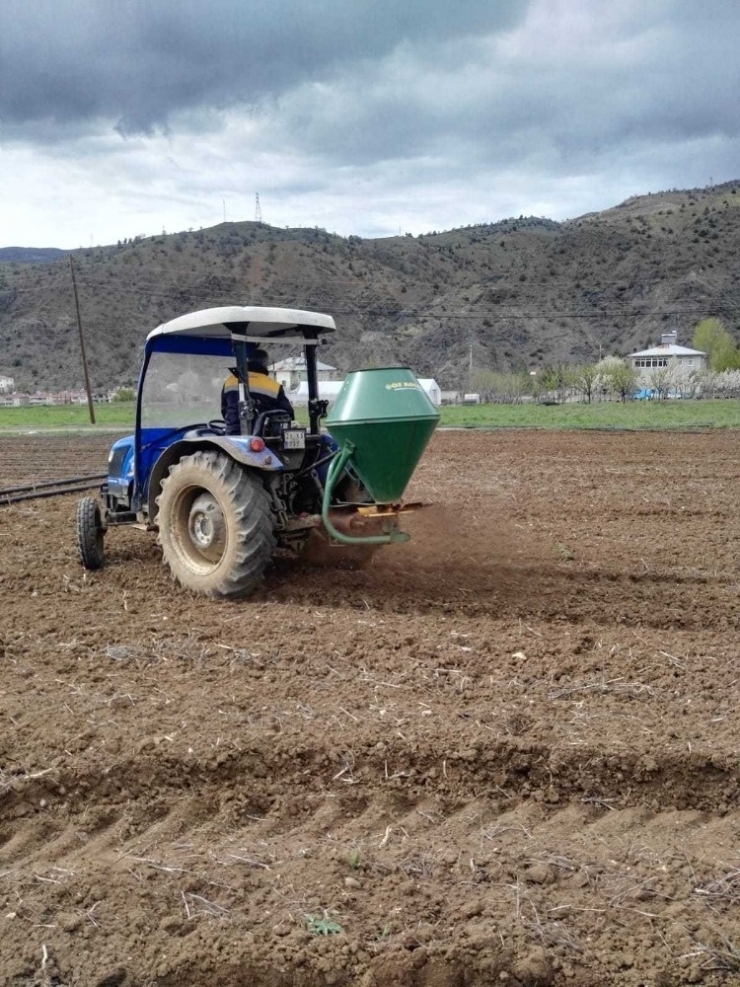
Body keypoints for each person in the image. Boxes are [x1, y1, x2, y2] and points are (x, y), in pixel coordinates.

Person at [221, 347, 294, 435]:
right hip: (262, 437)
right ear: (265, 364)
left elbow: (224, 410)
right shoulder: (273, 386)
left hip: (232, 435)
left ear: (248, 361)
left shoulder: (230, 381)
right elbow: (287, 413)